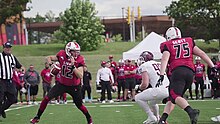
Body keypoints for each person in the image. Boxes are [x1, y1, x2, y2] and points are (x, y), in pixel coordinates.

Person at [158, 27, 217, 124]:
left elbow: (164, 59)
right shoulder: (188, 41)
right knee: (173, 98)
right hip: (190, 73)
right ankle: (163, 120)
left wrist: (161, 74)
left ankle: (191, 112)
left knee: (174, 95)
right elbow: (202, 54)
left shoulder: (167, 45)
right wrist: (212, 66)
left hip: (178, 72)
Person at [30, 41, 93, 124]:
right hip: (62, 84)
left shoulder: (79, 59)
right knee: (46, 99)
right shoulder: (61, 54)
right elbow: (49, 57)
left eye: (77, 51)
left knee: (79, 105)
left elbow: (80, 75)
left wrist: (73, 67)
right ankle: (37, 117)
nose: (76, 53)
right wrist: (51, 64)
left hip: (74, 86)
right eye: (74, 51)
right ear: (68, 50)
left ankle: (89, 118)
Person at [135, 51, 170, 124]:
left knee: (137, 98)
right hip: (168, 89)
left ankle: (151, 117)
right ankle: (157, 118)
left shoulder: (144, 65)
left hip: (159, 90)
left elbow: (145, 84)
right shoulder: (159, 63)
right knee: (152, 102)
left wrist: (138, 88)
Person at [0, 42, 22, 118]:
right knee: (0, 98)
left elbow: (19, 66)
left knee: (13, 99)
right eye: (7, 47)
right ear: (4, 48)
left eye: (9, 47)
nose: (8, 49)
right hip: (1, 80)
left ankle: (1, 109)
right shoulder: (0, 56)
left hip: (9, 81)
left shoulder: (12, 57)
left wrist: (21, 69)